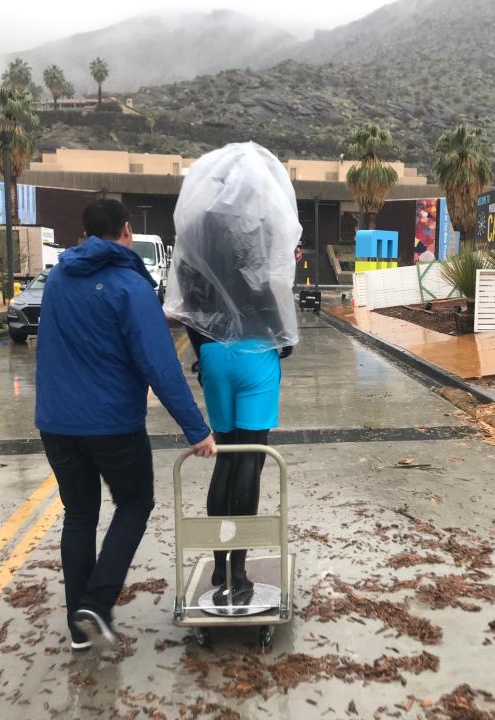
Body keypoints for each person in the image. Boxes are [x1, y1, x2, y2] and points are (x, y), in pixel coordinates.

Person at [35, 199, 217, 651]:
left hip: (56, 423)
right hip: (111, 423)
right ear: (127, 231)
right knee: (135, 502)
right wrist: (197, 430)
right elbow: (160, 365)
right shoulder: (129, 286)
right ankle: (97, 603)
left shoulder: (58, 277)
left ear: (85, 233)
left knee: (78, 515)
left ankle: (79, 626)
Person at [164, 142, 300, 603]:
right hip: (256, 351)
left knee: (224, 457)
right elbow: (267, 291)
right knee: (252, 461)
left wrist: (204, 352)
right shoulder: (258, 229)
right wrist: (284, 339)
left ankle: (218, 566)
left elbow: (187, 303)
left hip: (215, 357)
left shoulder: (198, 230)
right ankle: (241, 572)